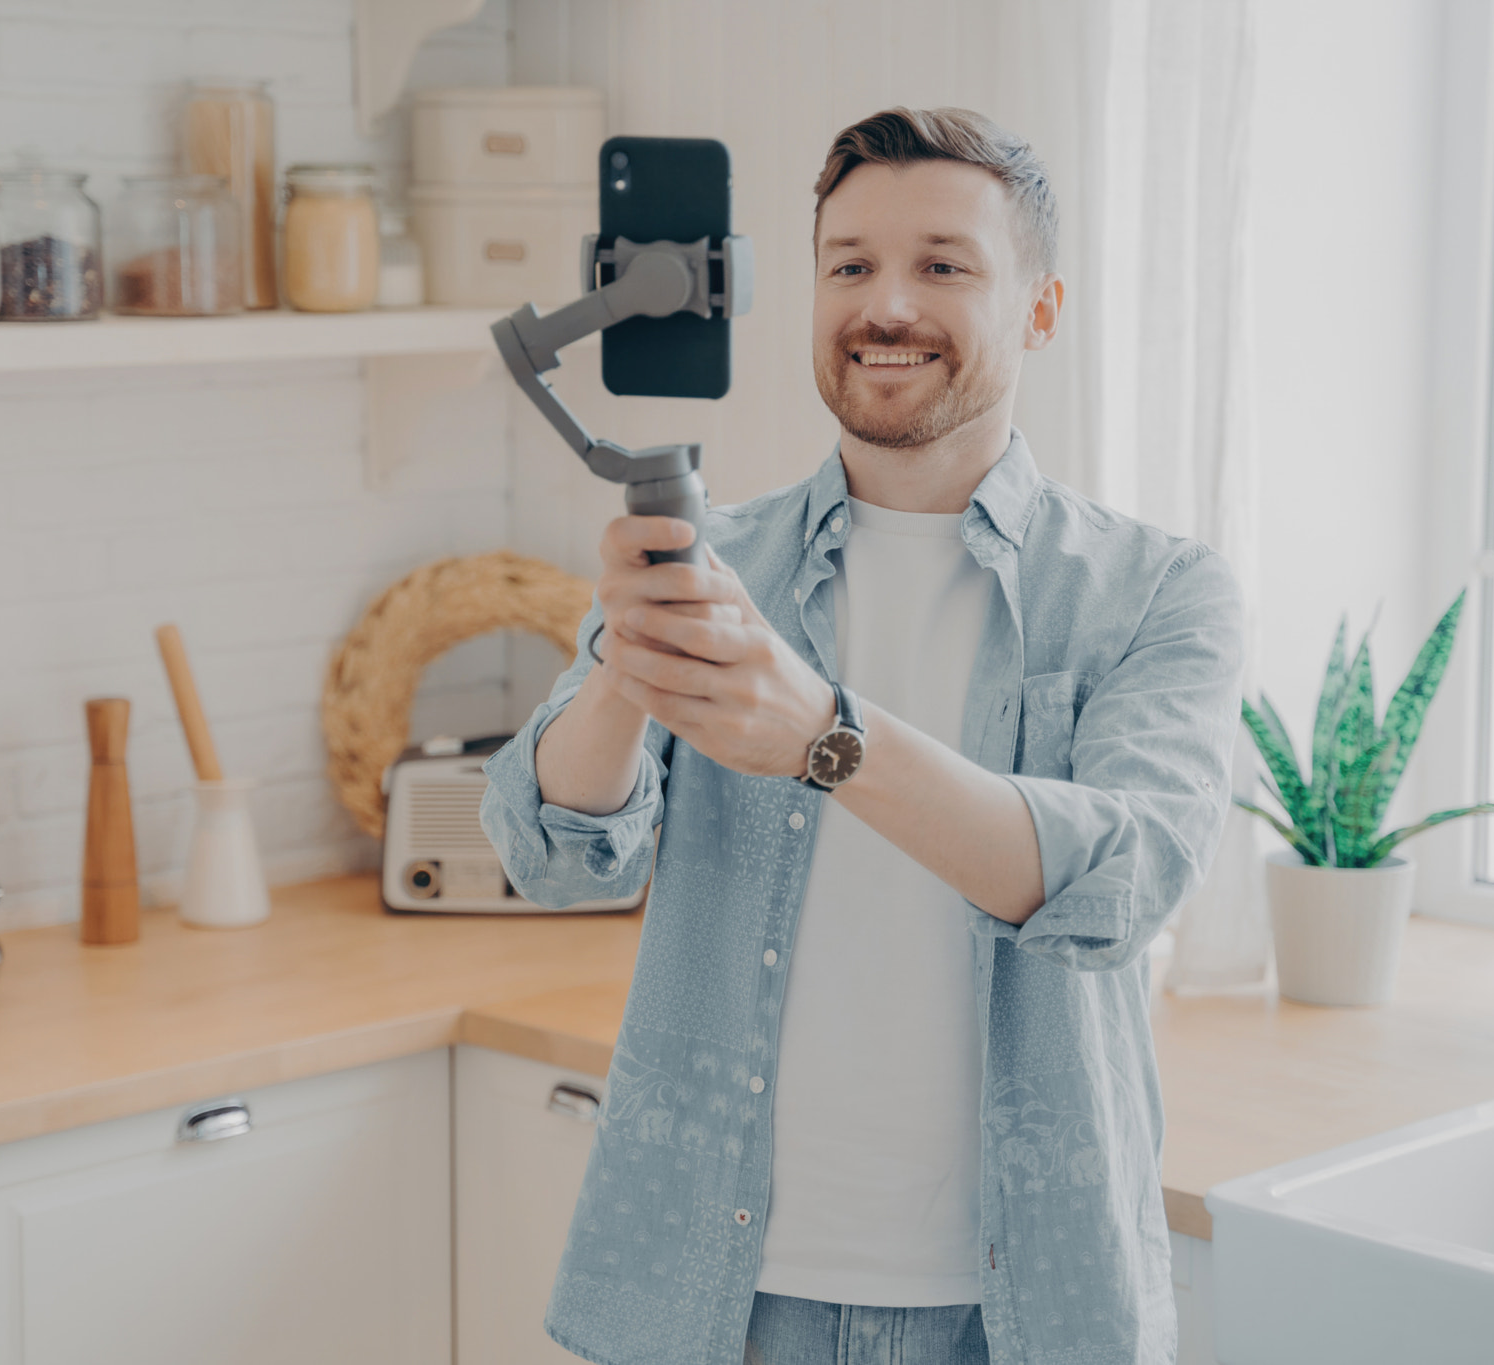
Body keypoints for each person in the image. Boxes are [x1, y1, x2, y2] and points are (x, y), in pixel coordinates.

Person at [481, 106, 1244, 1365]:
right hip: (719, 1297)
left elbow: (1115, 882)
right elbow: (557, 855)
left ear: (1039, 309)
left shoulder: (1152, 591)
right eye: (850, 265)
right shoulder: (720, 557)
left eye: (942, 265)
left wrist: (823, 736)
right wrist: (629, 655)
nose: (885, 306)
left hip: (1021, 1308)